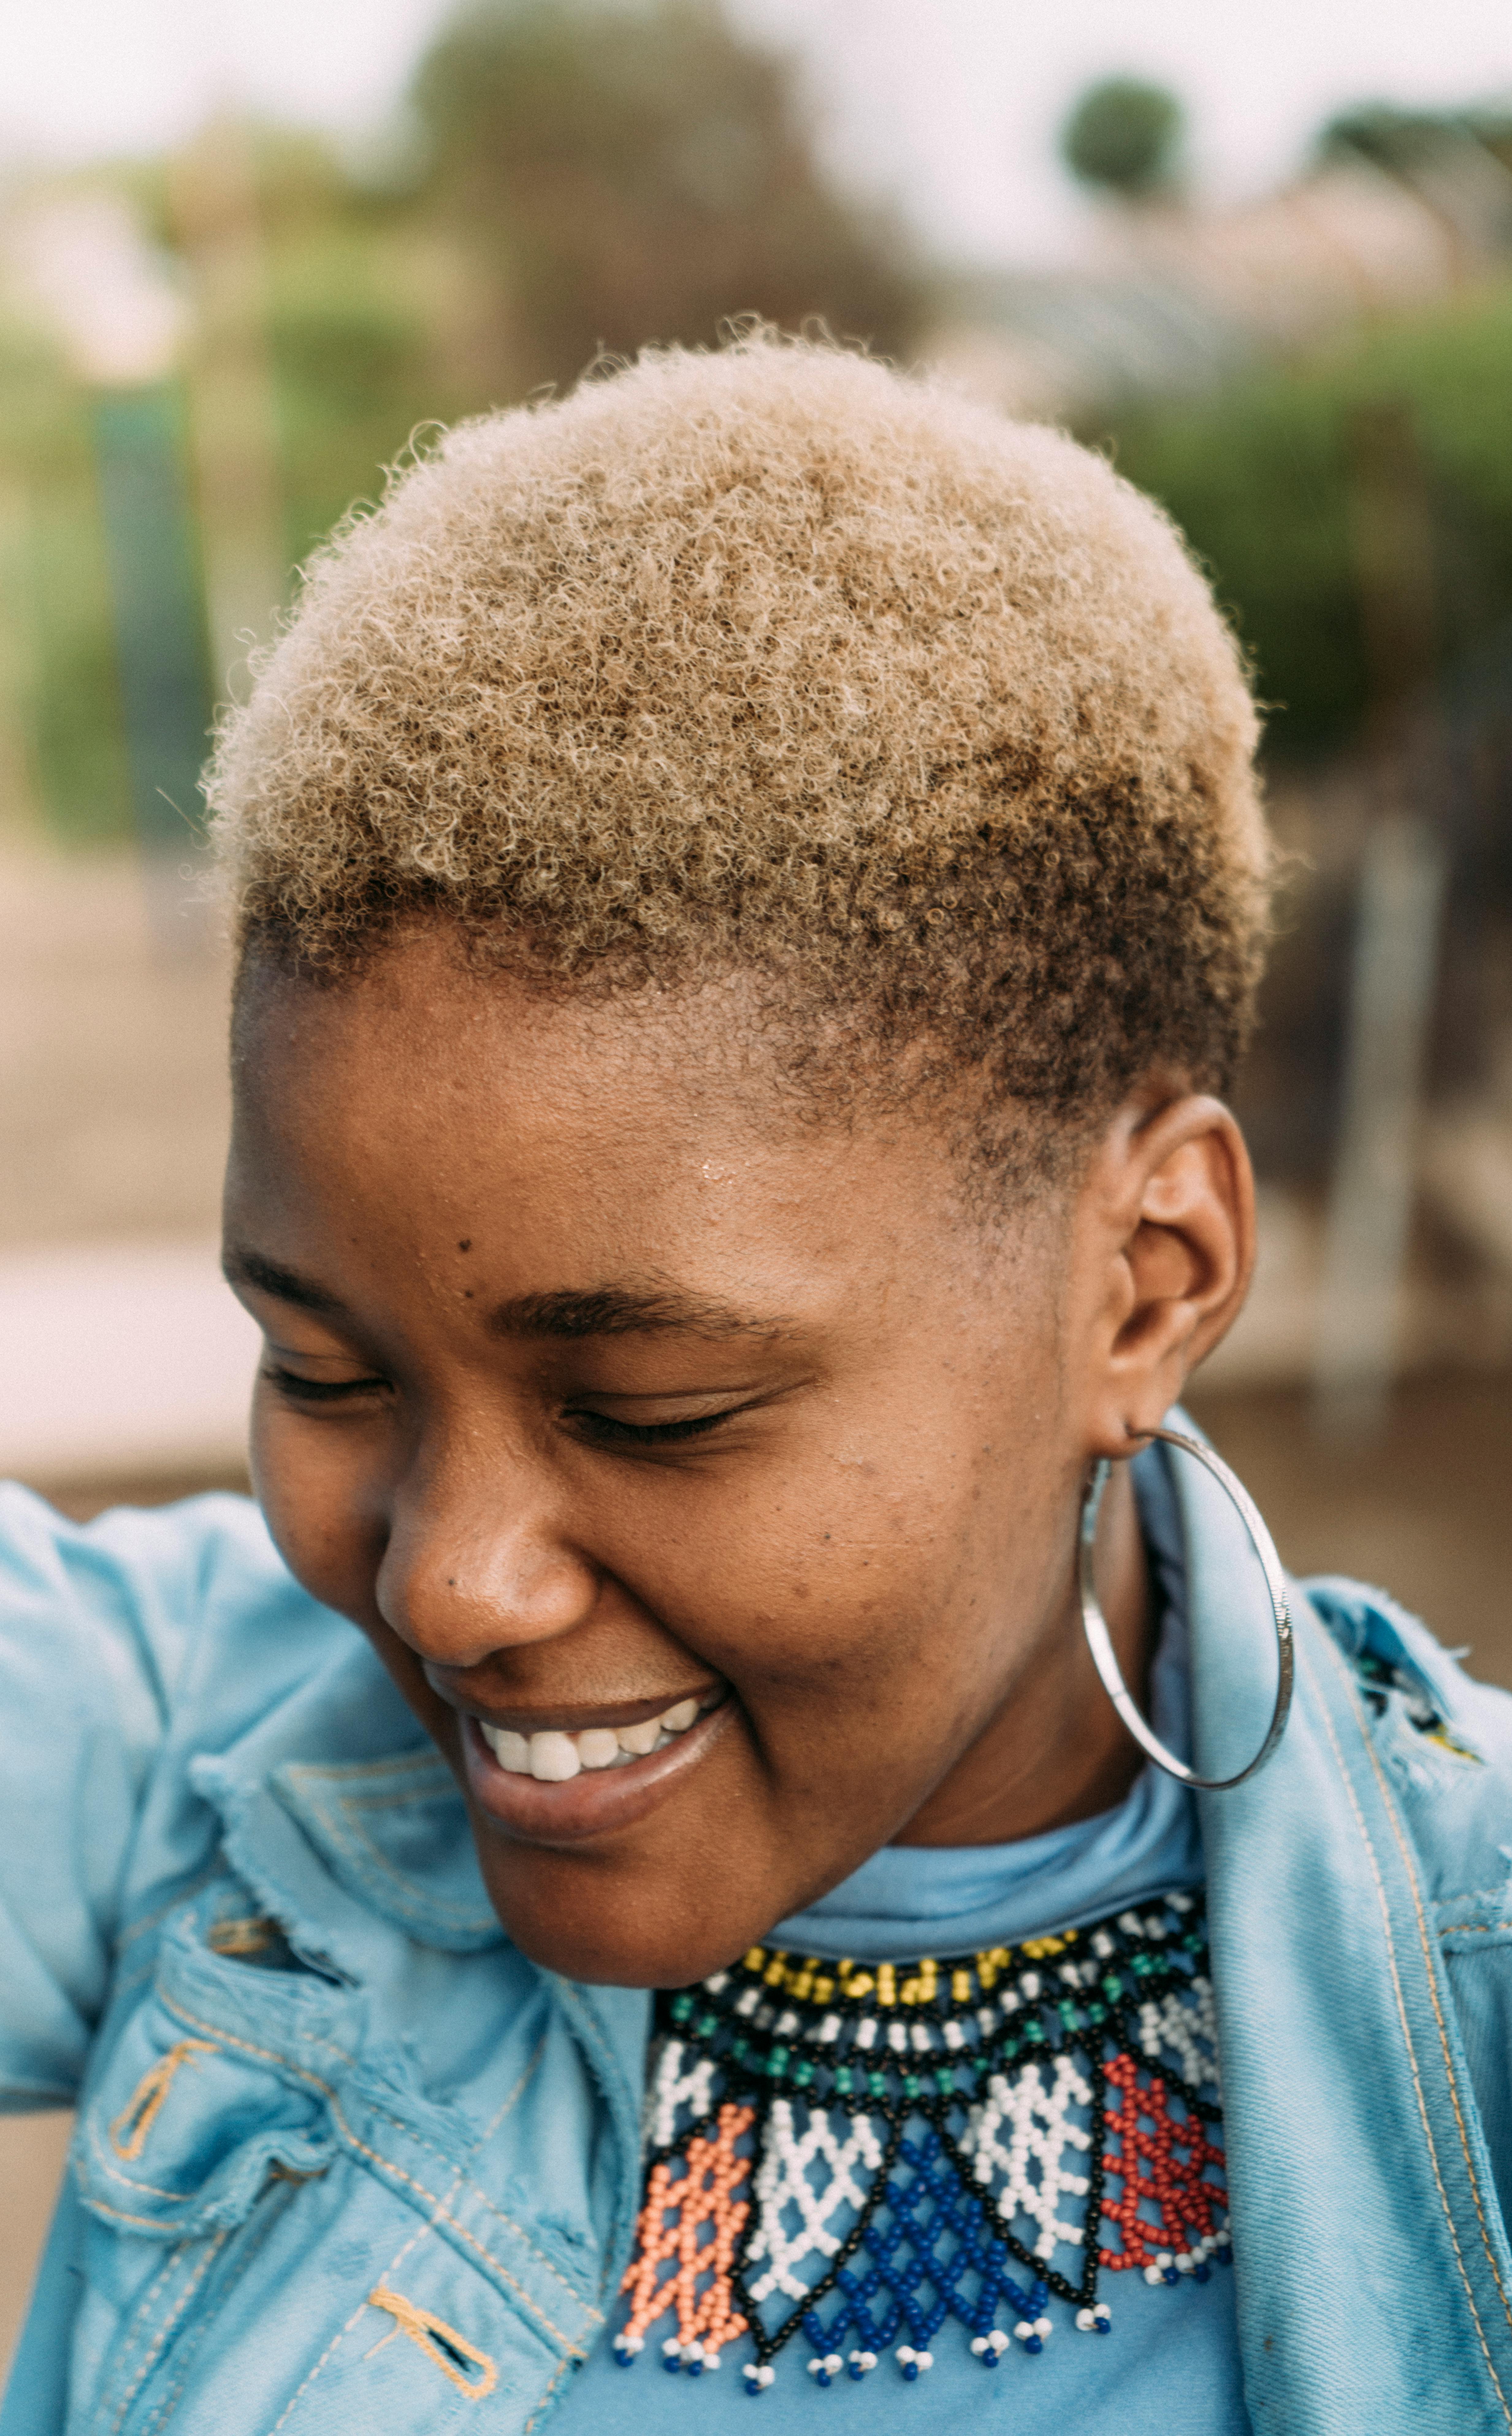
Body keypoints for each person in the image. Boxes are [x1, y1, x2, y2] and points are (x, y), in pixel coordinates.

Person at [3, 334, 1510, 2436]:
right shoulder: (209, 1772)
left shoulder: (1475, 2001)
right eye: (322, 1367)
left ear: (1146, 1285)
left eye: (652, 1408)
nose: (452, 1591)